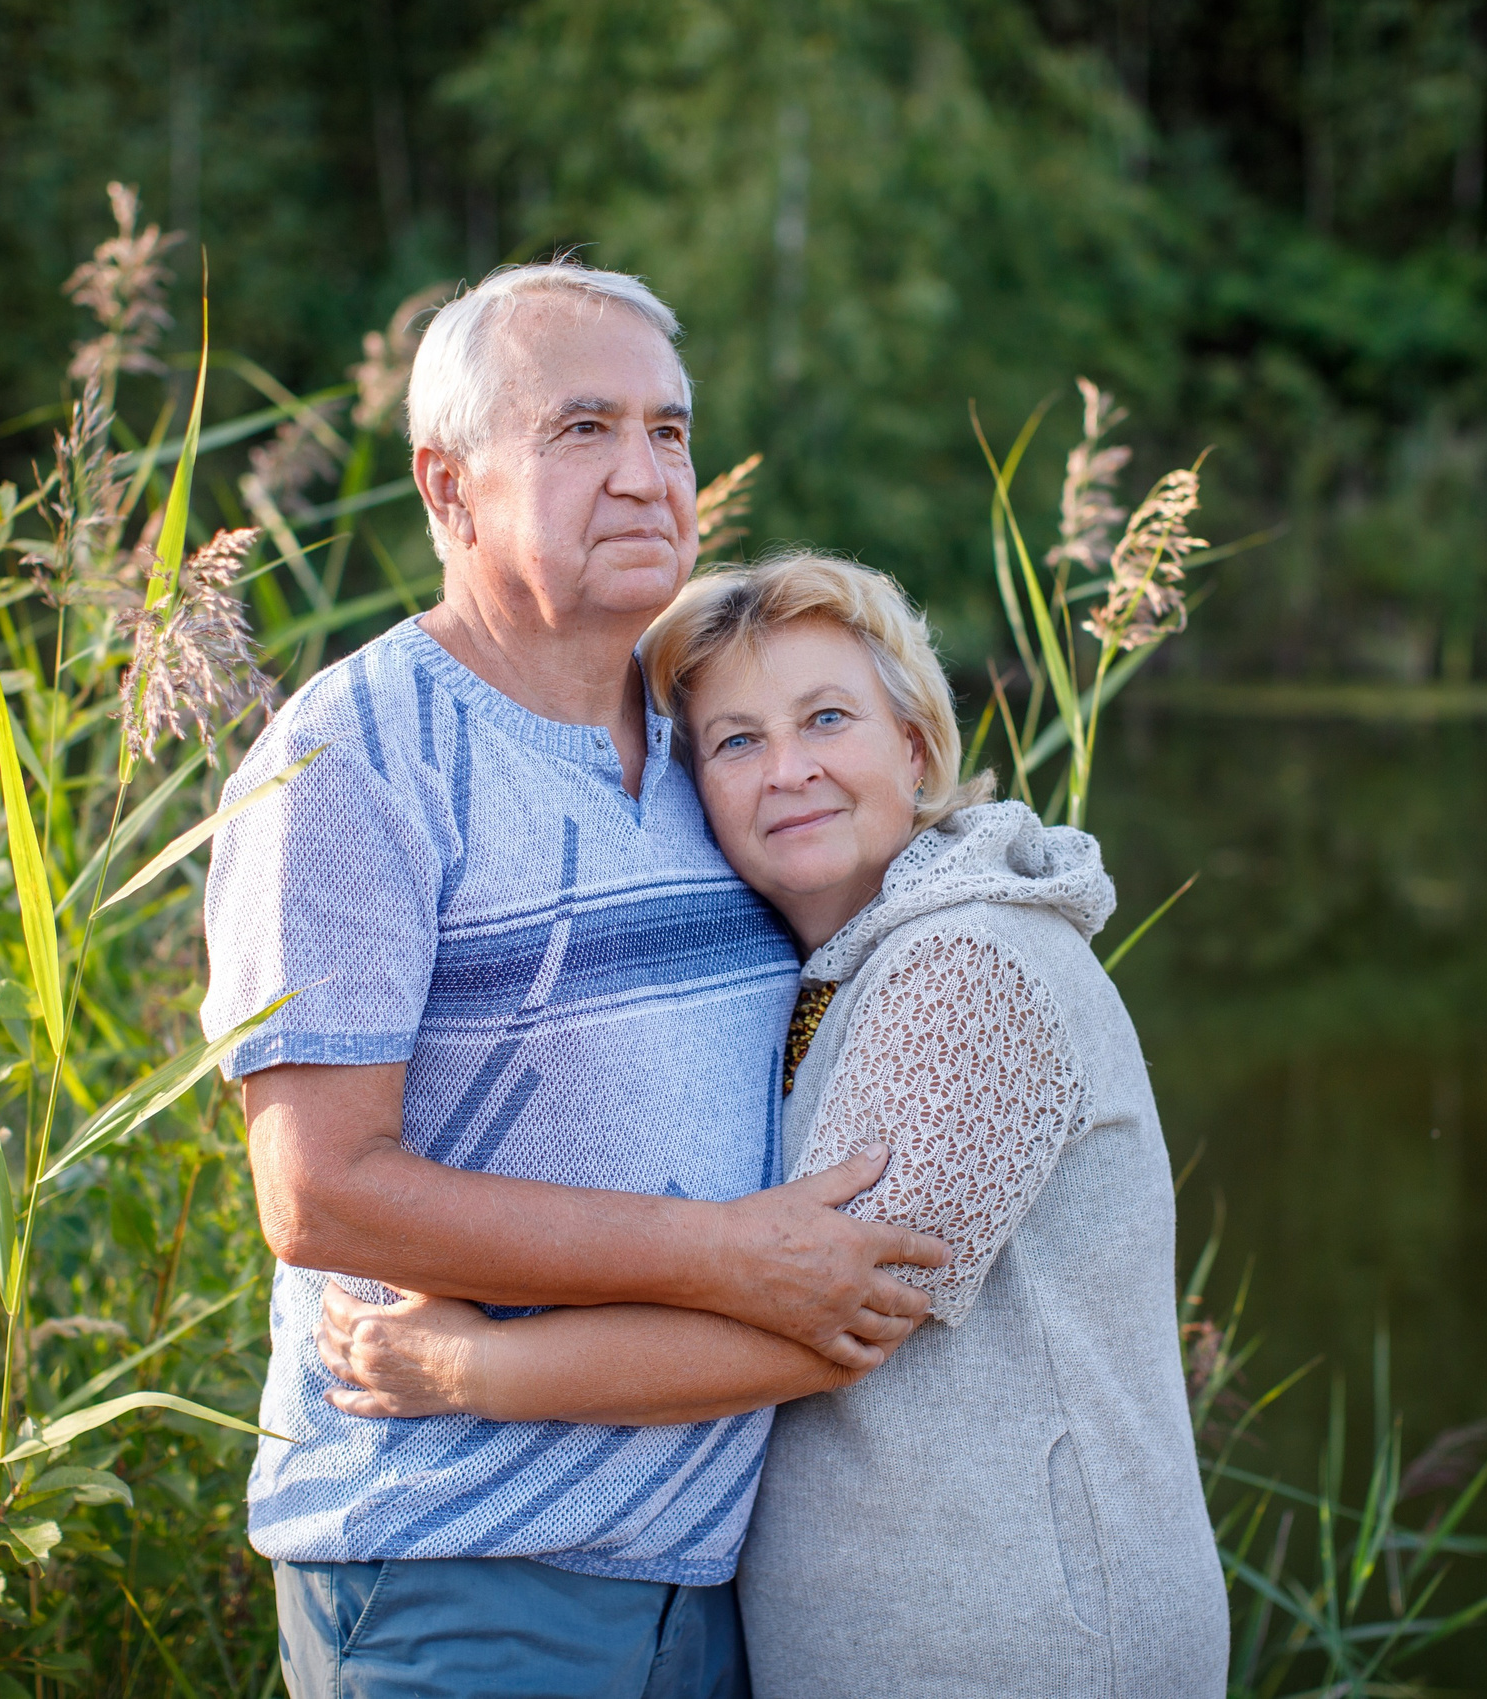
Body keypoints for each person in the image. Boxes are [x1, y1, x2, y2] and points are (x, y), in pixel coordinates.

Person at [199, 263, 951, 1699]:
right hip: (460, 1570)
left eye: (668, 431)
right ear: (449, 486)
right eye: (582, 428)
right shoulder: (353, 759)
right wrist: (725, 1253)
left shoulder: (708, 745)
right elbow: (320, 1192)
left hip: (714, 1575)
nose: (644, 474)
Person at [318, 553, 1233, 1698]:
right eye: (736, 741)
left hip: (1017, 1638)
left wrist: (464, 1364)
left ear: (912, 747)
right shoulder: (825, 972)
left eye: (827, 719)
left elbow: (820, 1323)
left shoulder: (970, 966)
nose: (787, 769)